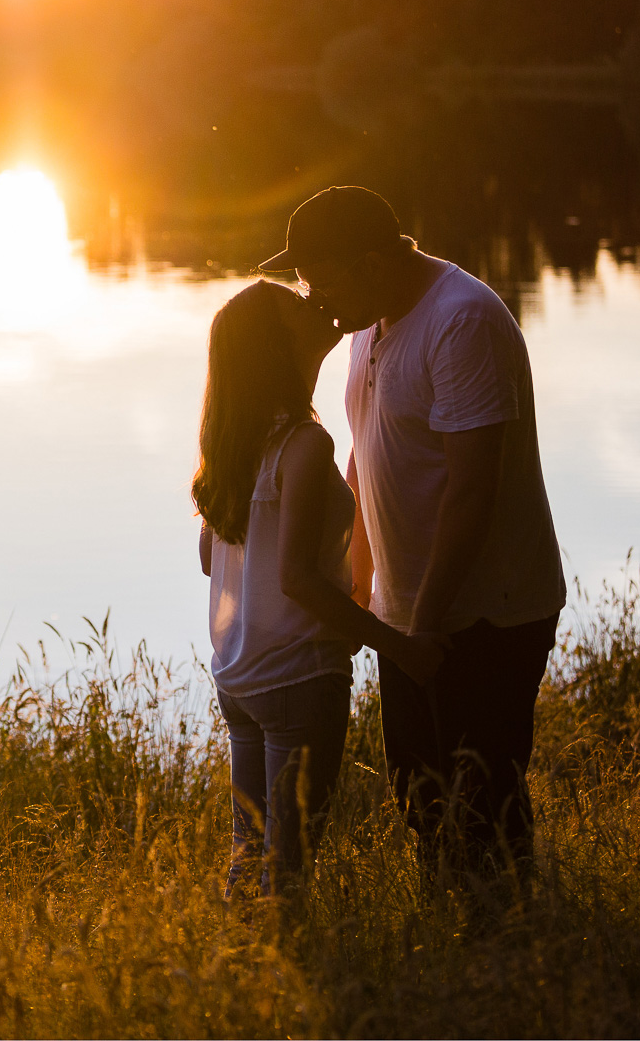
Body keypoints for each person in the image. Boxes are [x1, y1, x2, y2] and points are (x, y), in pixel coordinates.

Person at [261, 186, 565, 886]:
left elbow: (471, 489)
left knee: (481, 801)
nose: (311, 297)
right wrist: (359, 586)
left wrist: (424, 627)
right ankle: (456, 938)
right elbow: (369, 455)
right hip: (409, 618)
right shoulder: (368, 321)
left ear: (370, 263)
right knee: (421, 797)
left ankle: (511, 942)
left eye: (319, 277)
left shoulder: (462, 323)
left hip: (485, 614)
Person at [194, 279, 446, 897]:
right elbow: (298, 580)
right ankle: (285, 975)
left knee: (249, 849)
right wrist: (400, 646)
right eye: (295, 304)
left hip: (239, 677)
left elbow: (210, 557)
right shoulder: (305, 445)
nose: (315, 301)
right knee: (289, 862)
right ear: (278, 347)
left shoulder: (236, 445)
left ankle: (240, 968)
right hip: (298, 680)